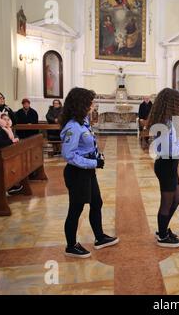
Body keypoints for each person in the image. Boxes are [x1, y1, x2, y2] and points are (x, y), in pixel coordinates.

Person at [60, 87, 119, 258]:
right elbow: (69, 155)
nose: (92, 105)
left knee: (97, 202)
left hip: (87, 171)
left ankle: (99, 237)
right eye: (90, 102)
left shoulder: (83, 122)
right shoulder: (72, 127)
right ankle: (71, 246)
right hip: (77, 173)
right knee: (75, 210)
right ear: (81, 104)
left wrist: (96, 156)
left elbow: (86, 144)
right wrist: (94, 162)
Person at [147, 88, 179, 248]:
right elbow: (172, 150)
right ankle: (162, 235)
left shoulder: (167, 121)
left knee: (178, 198)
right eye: (178, 102)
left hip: (170, 165)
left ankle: (163, 228)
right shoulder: (166, 124)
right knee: (167, 202)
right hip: (166, 165)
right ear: (173, 104)